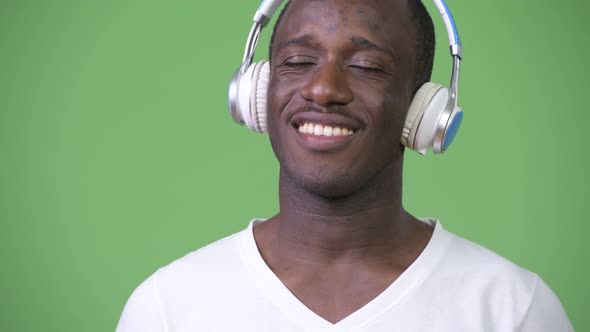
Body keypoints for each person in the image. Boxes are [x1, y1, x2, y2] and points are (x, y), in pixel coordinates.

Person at [116, 0, 573, 331]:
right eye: (298, 61)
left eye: (368, 67)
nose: (323, 89)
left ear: (424, 110)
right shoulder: (168, 307)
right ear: (257, 91)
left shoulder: (513, 309)